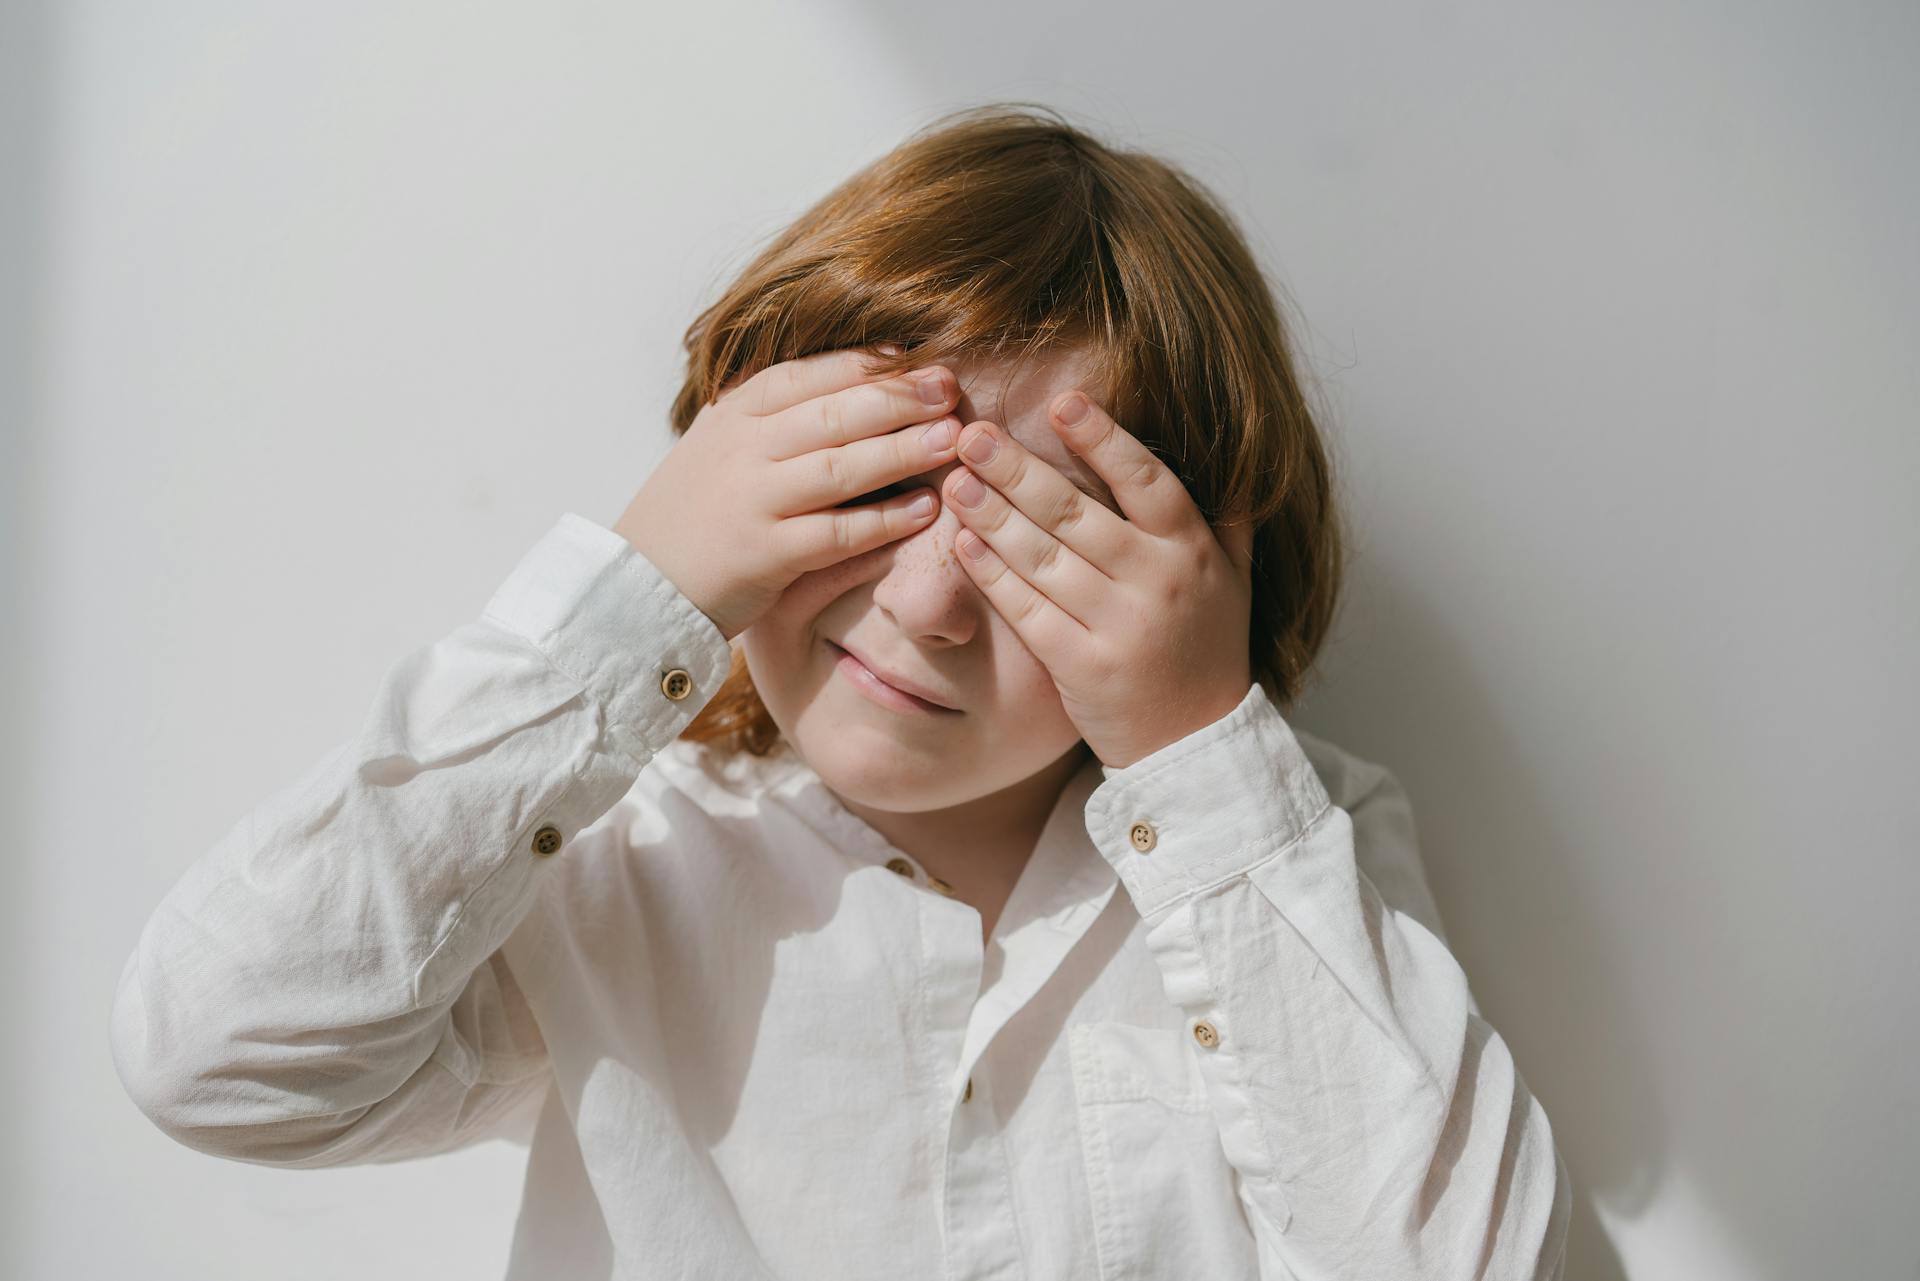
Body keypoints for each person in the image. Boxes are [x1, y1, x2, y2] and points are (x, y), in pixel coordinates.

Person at [110, 103, 1571, 1278]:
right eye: (875, 491)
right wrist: (638, 596)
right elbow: (218, 1053)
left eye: (1038, 544)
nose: (929, 606)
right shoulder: (619, 860)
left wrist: (1197, 747)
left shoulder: (1295, 851)